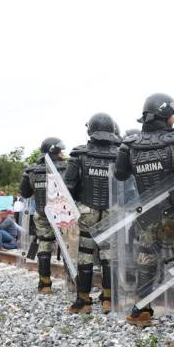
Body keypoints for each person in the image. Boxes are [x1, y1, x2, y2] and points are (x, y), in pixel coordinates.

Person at [114, 93, 174, 327]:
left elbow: (120, 174)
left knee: (146, 259)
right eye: (172, 115)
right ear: (166, 116)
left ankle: (142, 310)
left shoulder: (130, 145)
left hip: (147, 212)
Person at [64, 112, 121, 314]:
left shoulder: (79, 154)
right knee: (109, 255)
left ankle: (83, 301)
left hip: (86, 210)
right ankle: (108, 299)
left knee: (85, 255)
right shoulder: (120, 153)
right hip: (112, 211)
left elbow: (67, 186)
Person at [20, 137, 68, 293]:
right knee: (70, 247)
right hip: (64, 214)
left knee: (44, 246)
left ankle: (45, 285)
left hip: (42, 214)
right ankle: (73, 283)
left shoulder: (31, 170)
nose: (63, 152)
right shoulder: (67, 167)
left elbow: (25, 193)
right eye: (60, 149)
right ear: (53, 150)